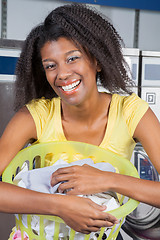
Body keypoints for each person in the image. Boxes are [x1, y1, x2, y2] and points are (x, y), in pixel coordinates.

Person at [0, 2, 160, 239]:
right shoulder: (35, 116)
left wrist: (106, 179)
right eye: (51, 66)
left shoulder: (130, 112)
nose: (62, 74)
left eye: (72, 58)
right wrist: (59, 205)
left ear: (96, 61)